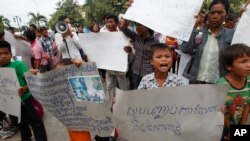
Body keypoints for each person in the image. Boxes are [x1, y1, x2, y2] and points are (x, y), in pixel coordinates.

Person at [0, 40, 47, 141]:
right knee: (20, 124)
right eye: (0, 54)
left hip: (26, 100)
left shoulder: (18, 65)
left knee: (36, 123)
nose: (3, 56)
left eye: (6, 53)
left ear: (11, 54)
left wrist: (25, 88)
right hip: (10, 104)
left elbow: (30, 80)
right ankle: (26, 137)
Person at [181, 0, 235, 84]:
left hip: (219, 82)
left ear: (226, 15)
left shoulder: (231, 34)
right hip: (196, 81)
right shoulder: (199, 33)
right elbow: (185, 49)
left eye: (220, 13)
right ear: (208, 14)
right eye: (212, 13)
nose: (215, 16)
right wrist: (194, 26)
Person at [216, 43, 250, 141]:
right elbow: (219, 110)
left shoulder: (248, 81)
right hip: (222, 127)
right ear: (229, 66)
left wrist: (241, 128)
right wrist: (230, 128)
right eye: (243, 62)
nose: (249, 65)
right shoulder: (221, 84)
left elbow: (247, 105)